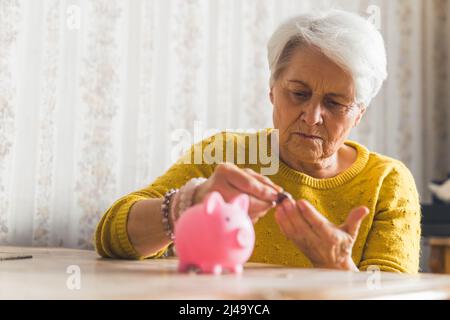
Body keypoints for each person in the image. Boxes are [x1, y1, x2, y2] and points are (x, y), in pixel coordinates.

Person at [95, 9, 421, 273]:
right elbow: (111, 238)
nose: (312, 116)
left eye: (335, 103)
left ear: (358, 114)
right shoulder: (225, 156)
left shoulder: (387, 182)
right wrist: (187, 204)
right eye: (298, 94)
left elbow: (396, 293)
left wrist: (337, 266)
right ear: (272, 91)